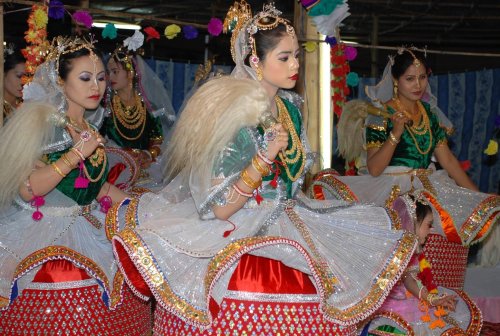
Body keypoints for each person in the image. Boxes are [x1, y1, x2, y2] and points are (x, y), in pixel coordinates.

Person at [110, 2, 417, 335]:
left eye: (297, 55)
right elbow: (221, 205)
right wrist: (263, 158)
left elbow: (293, 181)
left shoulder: (292, 110)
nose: (295, 64)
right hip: (240, 230)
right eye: (284, 58)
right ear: (256, 61)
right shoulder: (235, 114)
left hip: (291, 218)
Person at [0, 36, 151, 334]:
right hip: (46, 235)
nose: (96, 86)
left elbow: (95, 187)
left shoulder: (89, 127)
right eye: (84, 78)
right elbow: (28, 188)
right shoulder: (45, 125)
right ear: (60, 81)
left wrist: (137, 207)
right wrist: (74, 154)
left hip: (88, 223)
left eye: (100, 78)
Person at [329, 48, 499, 253]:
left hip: (429, 189)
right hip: (393, 193)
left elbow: (449, 162)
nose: (418, 85)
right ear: (395, 80)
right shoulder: (380, 114)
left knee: (437, 254)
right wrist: (396, 133)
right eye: (410, 78)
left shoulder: (430, 115)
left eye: (422, 77)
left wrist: (478, 197)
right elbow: (374, 168)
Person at [360, 191, 483, 335]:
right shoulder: (397, 249)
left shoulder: (409, 250)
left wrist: (432, 298)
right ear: (413, 222)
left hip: (409, 299)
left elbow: (410, 280)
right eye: (428, 225)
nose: (431, 230)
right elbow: (407, 280)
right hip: (394, 307)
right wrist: (430, 298)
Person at [101, 45, 175, 181]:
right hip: (115, 170)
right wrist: (123, 154)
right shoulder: (105, 108)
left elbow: (158, 140)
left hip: (146, 169)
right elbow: (99, 141)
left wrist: (148, 154)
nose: (110, 77)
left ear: (130, 73)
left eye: (115, 71)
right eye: (108, 72)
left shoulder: (150, 108)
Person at [3, 45, 26, 121]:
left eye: (26, 77)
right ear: (3, 74)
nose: (24, 82)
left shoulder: (25, 106)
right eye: (19, 76)